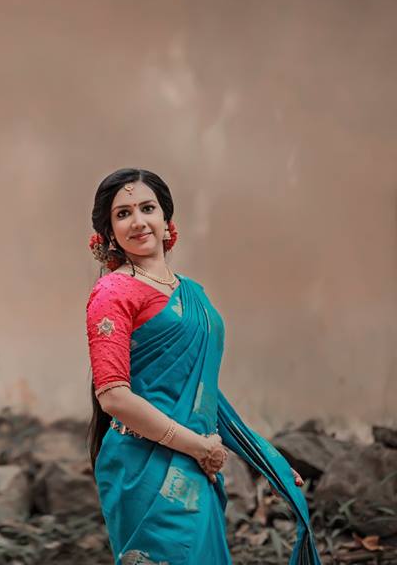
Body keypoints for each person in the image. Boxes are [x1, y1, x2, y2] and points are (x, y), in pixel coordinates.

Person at [85, 168, 321, 565]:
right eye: (123, 214)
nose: (138, 221)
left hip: (196, 462)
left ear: (166, 221)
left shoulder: (192, 293)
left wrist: (269, 459)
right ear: (109, 232)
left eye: (147, 208)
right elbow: (113, 397)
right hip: (144, 466)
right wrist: (198, 446)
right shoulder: (113, 291)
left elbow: (204, 396)